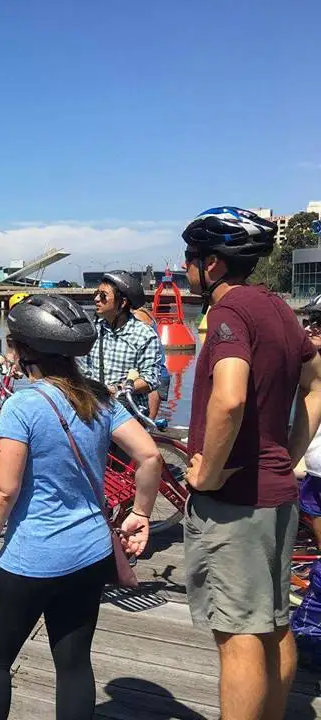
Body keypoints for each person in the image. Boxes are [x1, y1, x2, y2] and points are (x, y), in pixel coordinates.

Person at [0, 294, 162, 720]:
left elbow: (3, 490)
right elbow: (150, 456)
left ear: (24, 350)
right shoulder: (98, 398)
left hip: (31, 557)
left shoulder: (22, 404)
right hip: (90, 553)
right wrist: (142, 513)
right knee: (73, 664)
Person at [180, 207, 321, 720]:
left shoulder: (228, 314)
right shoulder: (279, 308)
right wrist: (290, 451)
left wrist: (209, 473)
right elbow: (317, 383)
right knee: (273, 623)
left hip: (236, 504)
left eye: (190, 260)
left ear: (212, 264)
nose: (186, 269)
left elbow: (230, 397)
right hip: (278, 495)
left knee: (237, 634)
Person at [78, 270, 163, 416]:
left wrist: (118, 389)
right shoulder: (92, 331)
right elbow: (83, 370)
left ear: (122, 302)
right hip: (94, 410)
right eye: (96, 294)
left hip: (127, 412)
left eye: (103, 296)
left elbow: (150, 379)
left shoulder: (144, 335)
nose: (97, 299)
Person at [298, 295, 321, 548]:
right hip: (313, 467)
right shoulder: (311, 364)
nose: (308, 327)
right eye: (310, 320)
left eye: (318, 321)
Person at [131, 304, 171, 420]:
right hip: (158, 374)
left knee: (146, 423)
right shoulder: (144, 314)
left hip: (154, 376)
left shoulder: (138, 316)